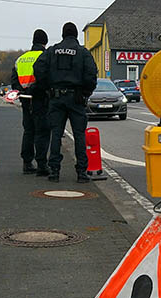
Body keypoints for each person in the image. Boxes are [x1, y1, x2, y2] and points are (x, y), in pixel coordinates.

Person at [34, 22, 98, 183]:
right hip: (76, 98)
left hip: (56, 98)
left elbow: (38, 68)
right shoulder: (82, 52)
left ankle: (54, 171)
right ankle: (81, 173)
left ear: (63, 34)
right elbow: (91, 74)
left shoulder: (52, 51)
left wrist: (47, 88)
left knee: (56, 134)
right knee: (79, 135)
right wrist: (85, 92)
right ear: (76, 35)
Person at [11, 29, 51, 176]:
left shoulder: (21, 59)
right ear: (45, 42)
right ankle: (42, 165)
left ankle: (27, 163)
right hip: (41, 99)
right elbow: (46, 79)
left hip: (25, 100)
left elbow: (14, 81)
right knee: (42, 132)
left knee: (28, 131)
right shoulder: (45, 56)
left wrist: (21, 91)